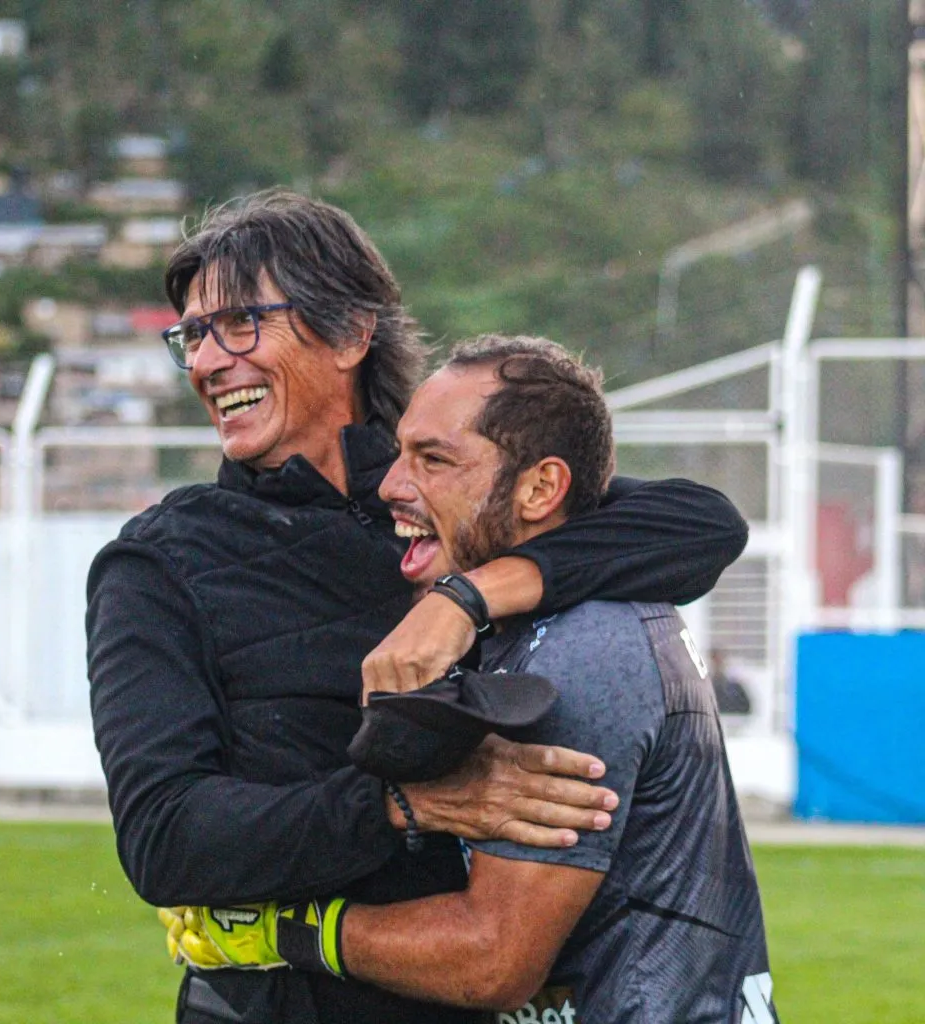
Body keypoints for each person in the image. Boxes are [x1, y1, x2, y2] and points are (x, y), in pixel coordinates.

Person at [87, 191, 749, 1024]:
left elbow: (701, 524)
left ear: (351, 333)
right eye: (192, 336)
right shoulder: (161, 561)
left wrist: (464, 600)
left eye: (241, 324)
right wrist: (407, 803)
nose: (208, 362)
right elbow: (166, 837)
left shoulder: (452, 494)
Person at [168, 335, 777, 1024]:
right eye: (400, 453)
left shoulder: (580, 646)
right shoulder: (547, 613)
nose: (391, 485)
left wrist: (282, 932)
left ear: (542, 488)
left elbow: (491, 960)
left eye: (432, 459)